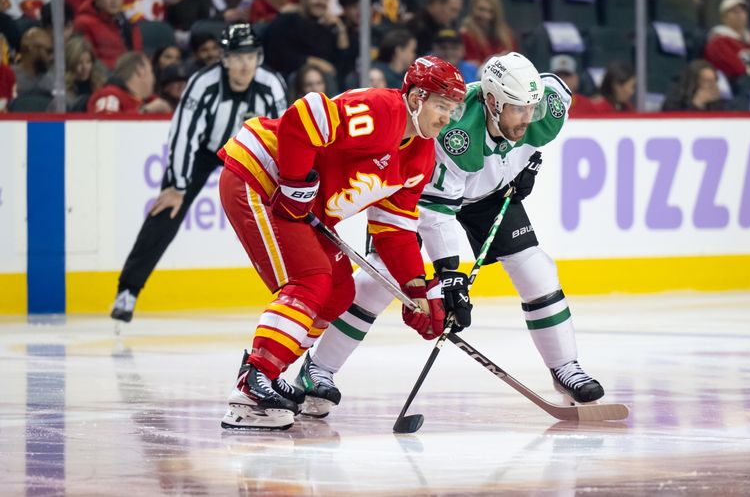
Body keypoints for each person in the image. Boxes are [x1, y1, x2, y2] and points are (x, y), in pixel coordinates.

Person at [300, 52, 605, 418]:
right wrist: (449, 278)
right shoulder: (457, 132)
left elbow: (555, 88)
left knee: (536, 269)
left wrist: (525, 162)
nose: (528, 119)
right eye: (518, 110)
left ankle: (565, 367)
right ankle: (318, 369)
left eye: (532, 108)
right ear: (491, 102)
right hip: (417, 198)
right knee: (376, 283)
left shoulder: (545, 110)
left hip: (490, 196)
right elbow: (436, 213)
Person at [216, 55, 467, 430]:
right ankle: (252, 386)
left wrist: (417, 289)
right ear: (416, 98)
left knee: (338, 290)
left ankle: (269, 371)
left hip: (297, 205)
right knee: (312, 280)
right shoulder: (383, 111)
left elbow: (394, 231)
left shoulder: (420, 157)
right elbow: (306, 115)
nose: (448, 118)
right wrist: (295, 183)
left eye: (454, 110)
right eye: (442, 106)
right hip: (259, 177)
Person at [110, 23, 288, 322]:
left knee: (285, 211)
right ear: (225, 58)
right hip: (206, 151)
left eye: (250, 57)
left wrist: (288, 182)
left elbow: (285, 133)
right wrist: (177, 185)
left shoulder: (272, 84)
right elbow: (184, 134)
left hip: (252, 153)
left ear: (258, 58)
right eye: (237, 56)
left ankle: (295, 287)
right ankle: (128, 290)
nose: (244, 65)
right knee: (167, 209)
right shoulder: (203, 84)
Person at [73, 0, 143, 71]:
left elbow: (137, 55)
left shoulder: (127, 23)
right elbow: (89, 62)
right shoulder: (84, 23)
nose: (114, 0)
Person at [86, 51, 171, 114]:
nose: (154, 78)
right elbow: (106, 127)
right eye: (151, 71)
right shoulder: (109, 94)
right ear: (140, 71)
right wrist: (145, 111)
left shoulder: (151, 101)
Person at [459, 0, 518, 66]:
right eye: (481, 9)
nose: (486, 16)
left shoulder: (507, 34)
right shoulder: (464, 34)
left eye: (491, 11)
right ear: (472, 8)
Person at [662, 59, 728, 111]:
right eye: (707, 81)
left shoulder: (716, 102)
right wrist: (696, 105)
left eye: (714, 81)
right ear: (693, 83)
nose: (712, 86)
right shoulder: (674, 101)